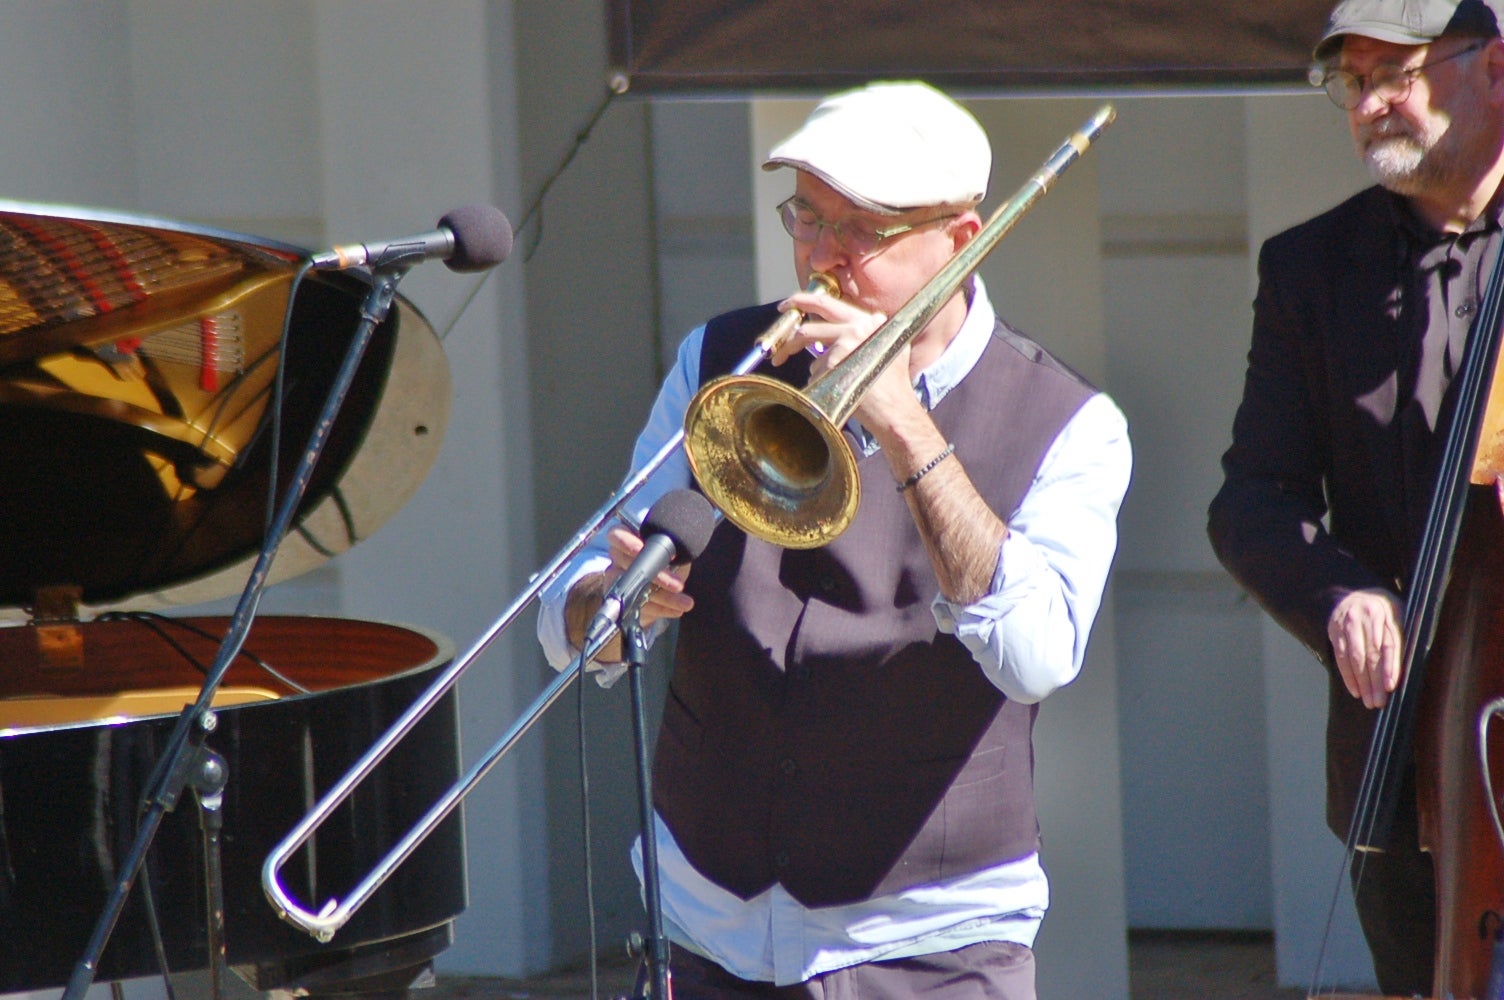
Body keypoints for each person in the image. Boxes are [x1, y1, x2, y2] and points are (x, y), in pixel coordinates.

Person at [538, 80, 1130, 999]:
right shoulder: (719, 359)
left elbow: (1036, 657)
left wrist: (906, 428)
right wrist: (605, 607)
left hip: (931, 943)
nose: (822, 258)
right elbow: (573, 601)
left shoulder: (1072, 423)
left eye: (863, 232)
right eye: (807, 219)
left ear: (961, 242)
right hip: (707, 923)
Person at [1207, 0, 1504, 992]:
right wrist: (1337, 592)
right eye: (1352, 82)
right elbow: (1253, 495)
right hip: (1411, 767)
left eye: (1398, 74)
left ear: (1492, 66)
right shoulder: (1308, 268)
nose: (1371, 103)